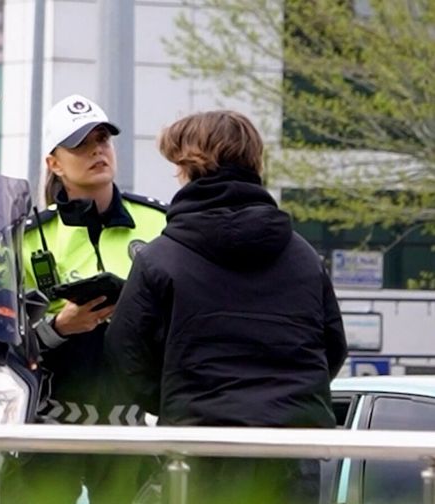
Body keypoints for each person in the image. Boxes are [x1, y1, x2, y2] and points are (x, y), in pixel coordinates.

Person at [105, 110, 348, 503]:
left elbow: (124, 350)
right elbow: (332, 347)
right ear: (255, 162)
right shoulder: (303, 257)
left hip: (200, 452)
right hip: (288, 454)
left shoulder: (161, 258)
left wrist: (178, 401)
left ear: (188, 167)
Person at [15, 94, 167, 503]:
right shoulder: (27, 237)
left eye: (103, 139)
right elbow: (3, 338)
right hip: (51, 424)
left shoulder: (160, 223)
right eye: (81, 144)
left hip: (134, 424)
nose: (97, 150)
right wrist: (59, 327)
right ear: (54, 163)